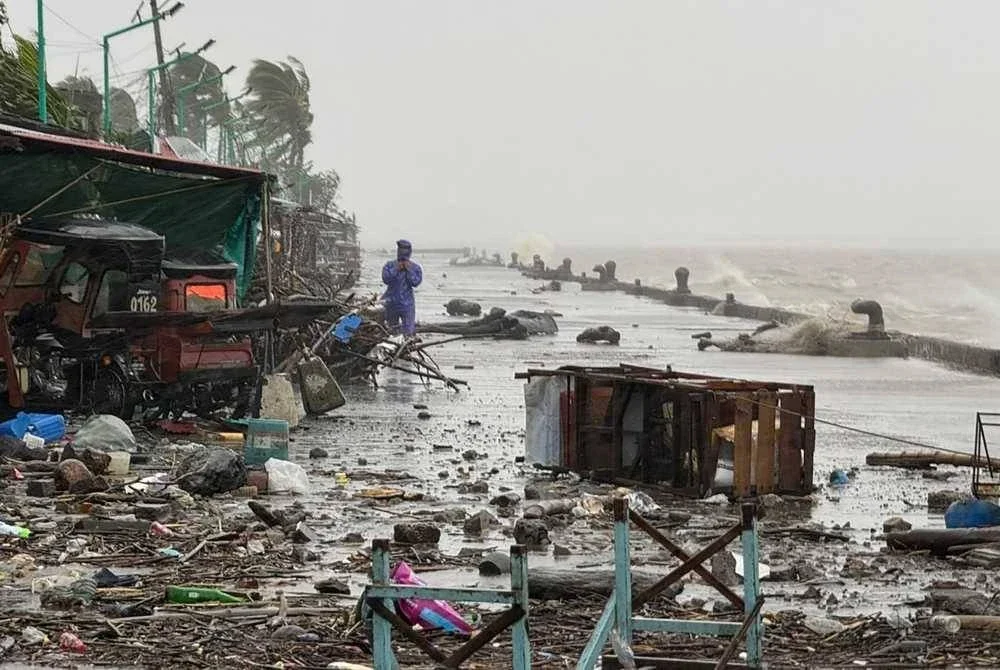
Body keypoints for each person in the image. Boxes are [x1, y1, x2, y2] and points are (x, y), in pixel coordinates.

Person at [382, 239, 423, 336]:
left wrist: (409, 270)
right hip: (391, 302)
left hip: (407, 304)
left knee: (408, 331)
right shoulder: (390, 265)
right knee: (392, 331)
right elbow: (386, 279)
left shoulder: (415, 267)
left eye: (405, 249)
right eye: (400, 249)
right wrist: (396, 269)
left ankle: (406, 343)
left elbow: (415, 282)